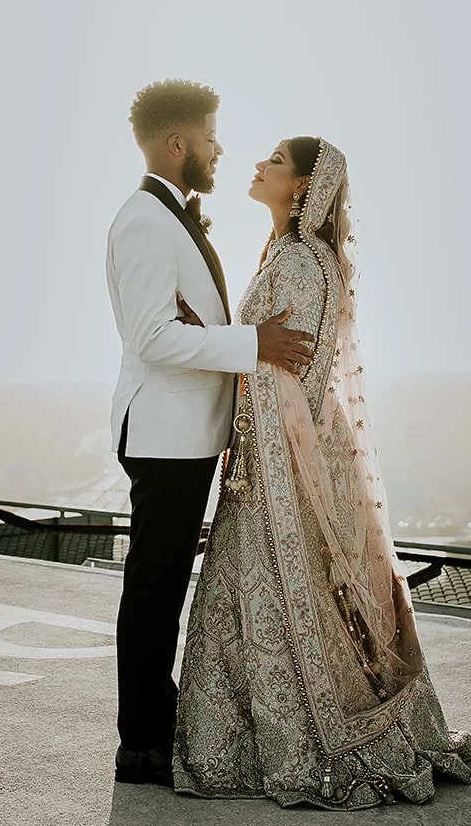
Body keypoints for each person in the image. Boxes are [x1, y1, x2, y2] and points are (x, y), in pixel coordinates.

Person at [171, 135, 471, 809]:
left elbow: (294, 379)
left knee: (270, 605)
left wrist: (228, 366)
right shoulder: (289, 254)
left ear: (306, 185)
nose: (258, 165)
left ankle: (305, 742)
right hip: (262, 465)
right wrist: (218, 335)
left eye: (276, 161)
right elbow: (266, 352)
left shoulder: (302, 262)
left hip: (274, 474)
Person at [104, 79, 316, 786]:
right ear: (177, 143)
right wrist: (251, 342)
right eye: (210, 137)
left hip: (189, 435)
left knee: (161, 587)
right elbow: (155, 338)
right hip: (165, 435)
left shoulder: (172, 218)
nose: (220, 149)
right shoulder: (143, 221)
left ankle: (151, 725)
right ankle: (141, 744)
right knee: (154, 588)